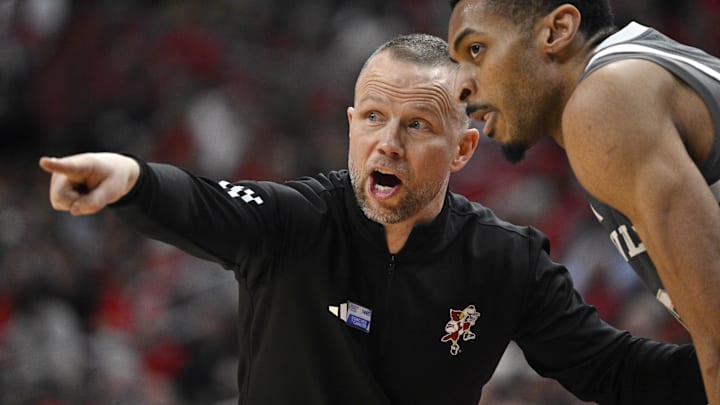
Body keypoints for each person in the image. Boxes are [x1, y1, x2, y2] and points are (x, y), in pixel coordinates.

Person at [39, 33, 707, 405]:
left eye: (416, 125)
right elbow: (201, 202)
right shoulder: (297, 221)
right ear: (351, 126)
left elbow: (611, 368)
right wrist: (127, 179)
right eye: (375, 119)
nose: (388, 142)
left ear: (464, 149)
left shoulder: (506, 261)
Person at [447, 1, 720, 404]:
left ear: (558, 30)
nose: (462, 86)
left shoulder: (606, 101)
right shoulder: (642, 66)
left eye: (476, 50)